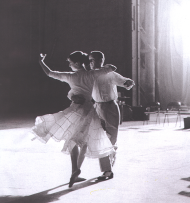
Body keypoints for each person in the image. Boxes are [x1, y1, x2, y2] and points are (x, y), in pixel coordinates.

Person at [32, 51, 116, 187]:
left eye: (70, 63)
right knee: (81, 140)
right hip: (89, 110)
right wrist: (106, 67)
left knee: (74, 140)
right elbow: (112, 68)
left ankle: (75, 170)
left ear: (77, 63)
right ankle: (75, 170)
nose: (69, 65)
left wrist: (41, 62)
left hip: (75, 110)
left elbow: (50, 73)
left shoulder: (71, 76)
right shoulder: (90, 74)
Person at [89, 51, 135, 180]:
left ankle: (108, 167)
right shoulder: (90, 75)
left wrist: (128, 82)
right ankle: (107, 169)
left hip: (110, 107)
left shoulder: (110, 73)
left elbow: (124, 82)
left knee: (111, 138)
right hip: (97, 106)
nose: (90, 63)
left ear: (100, 60)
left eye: (92, 60)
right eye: (89, 60)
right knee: (99, 138)